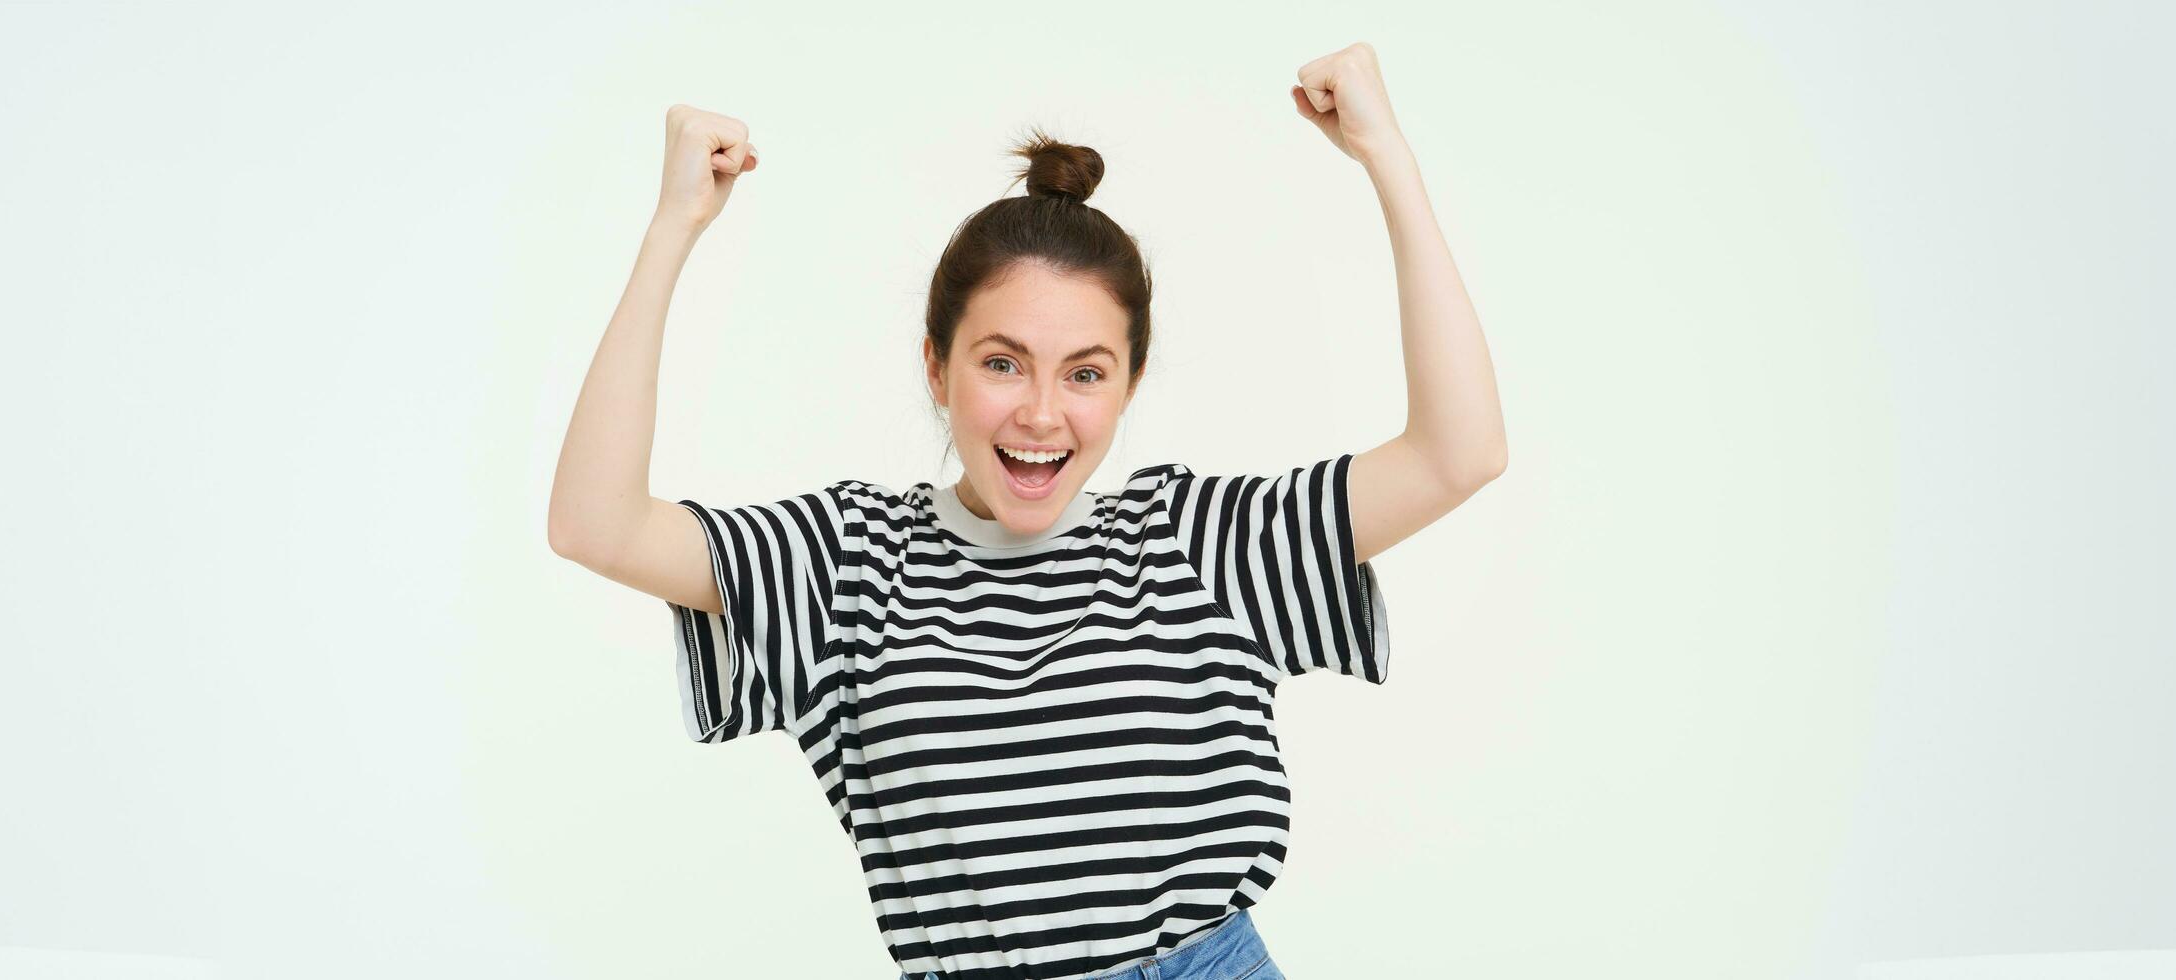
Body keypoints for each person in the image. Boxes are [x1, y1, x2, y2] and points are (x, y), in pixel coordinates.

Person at [548, 42, 1507, 980]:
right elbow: (597, 524)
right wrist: (675, 224)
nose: (1042, 414)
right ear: (937, 366)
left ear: (1129, 384)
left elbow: (1458, 454)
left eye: (1085, 373)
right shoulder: (845, 566)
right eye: (1002, 362)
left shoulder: (1199, 542)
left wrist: (1388, 157)